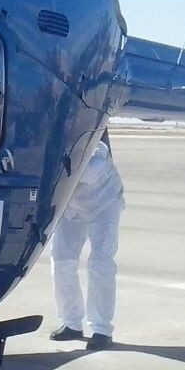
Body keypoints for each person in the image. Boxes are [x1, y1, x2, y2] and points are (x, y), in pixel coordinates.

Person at [49, 131, 125, 351]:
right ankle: (71, 324)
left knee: (101, 263)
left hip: (105, 203)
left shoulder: (96, 151)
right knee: (62, 260)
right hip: (71, 206)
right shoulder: (52, 146)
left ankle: (102, 330)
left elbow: (87, 173)